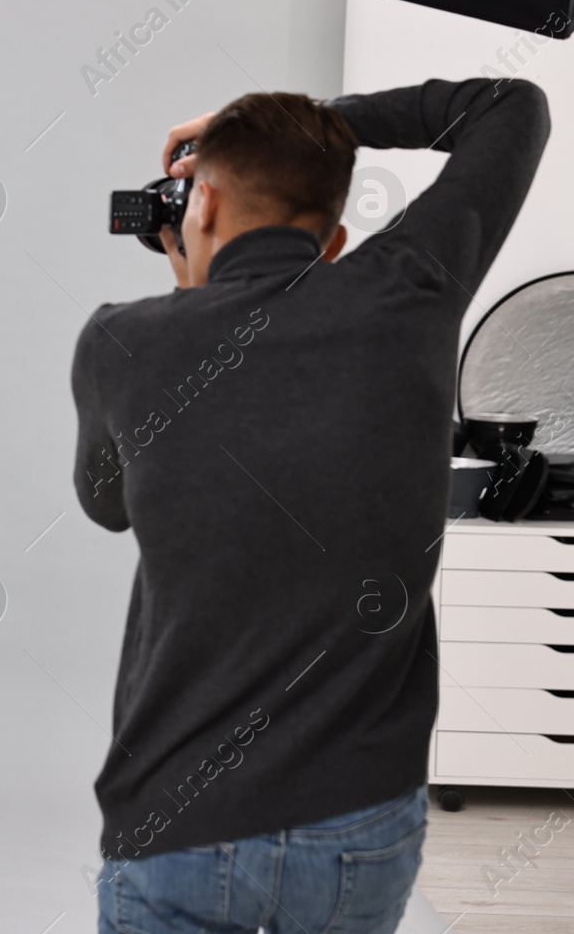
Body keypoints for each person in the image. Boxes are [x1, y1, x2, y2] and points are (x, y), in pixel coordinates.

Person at [72, 77, 550, 934]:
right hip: (356, 822)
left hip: (174, 816)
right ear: (333, 241)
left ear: (200, 200)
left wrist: (191, 285)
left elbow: (109, 504)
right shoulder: (411, 291)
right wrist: (330, 126)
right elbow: (513, 106)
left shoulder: (122, 342)